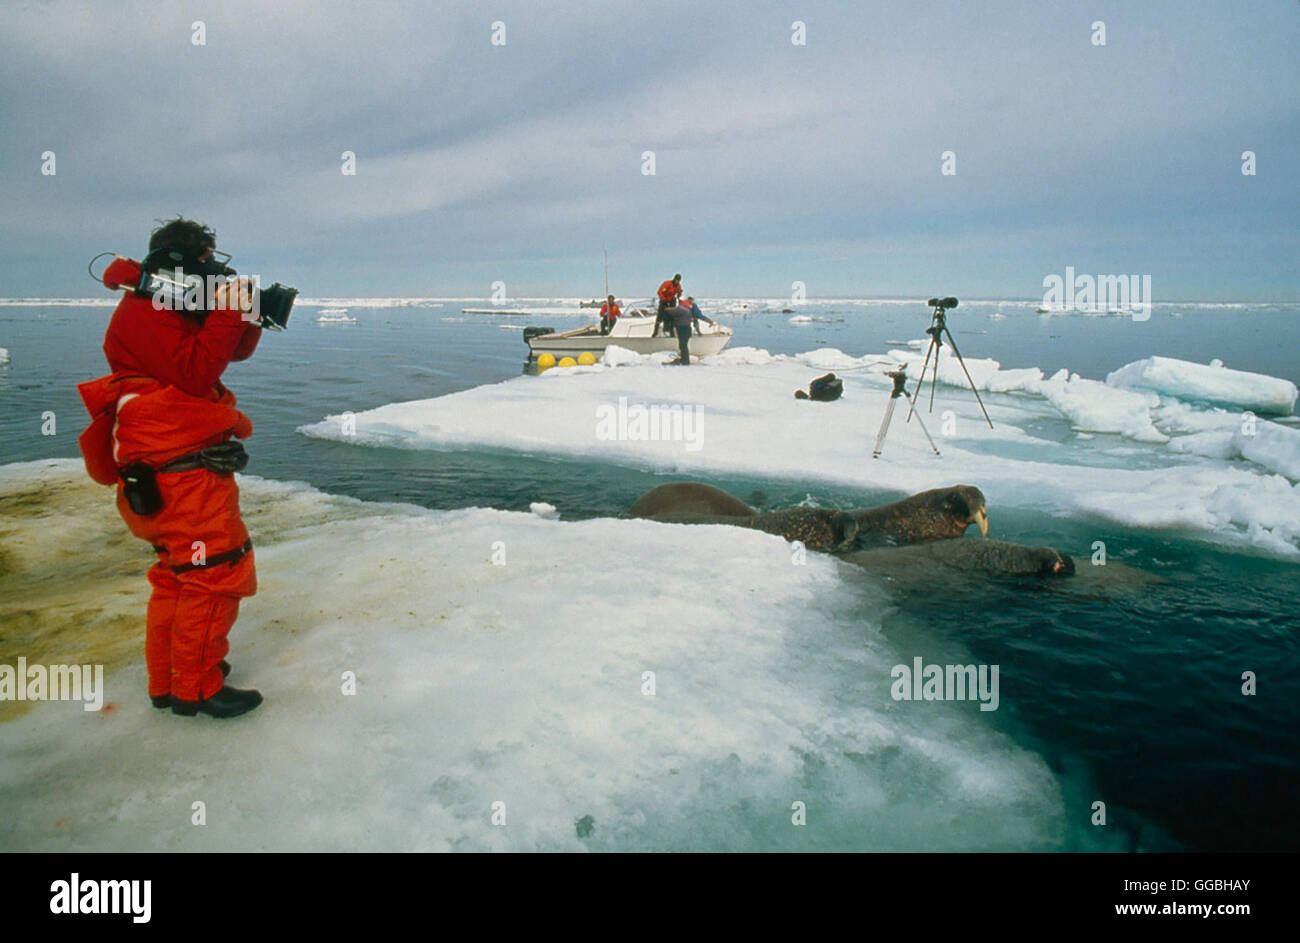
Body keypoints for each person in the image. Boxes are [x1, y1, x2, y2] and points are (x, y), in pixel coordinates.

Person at [76, 217, 265, 719]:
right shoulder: (148, 308)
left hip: (167, 455)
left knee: (178, 574)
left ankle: (169, 680)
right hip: (178, 468)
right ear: (182, 261)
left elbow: (227, 354)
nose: (213, 268)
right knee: (214, 570)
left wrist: (247, 315)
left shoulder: (166, 302)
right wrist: (227, 309)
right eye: (205, 259)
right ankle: (196, 689)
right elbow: (196, 372)